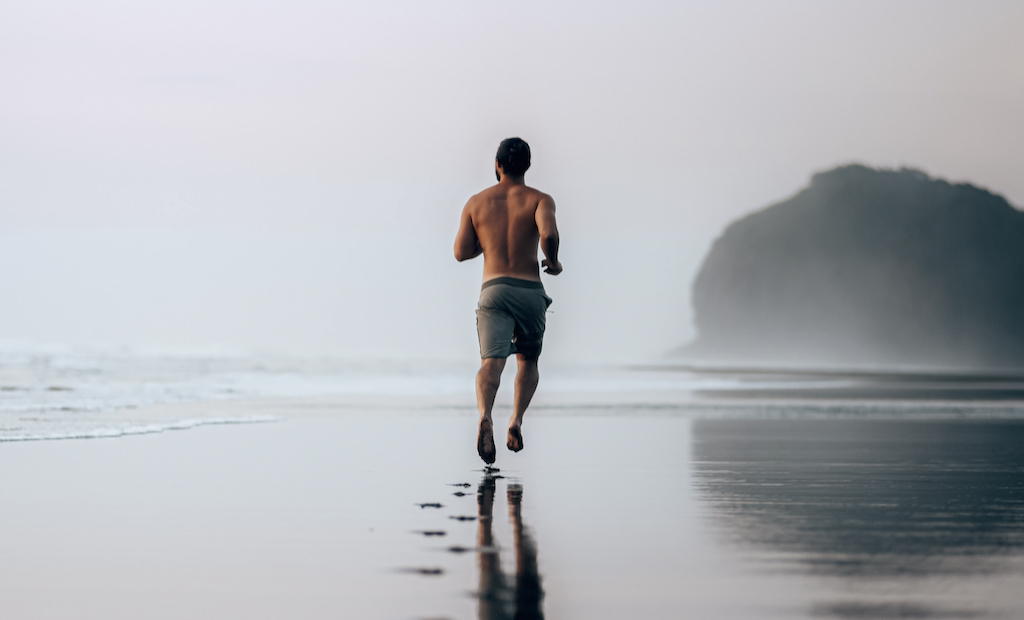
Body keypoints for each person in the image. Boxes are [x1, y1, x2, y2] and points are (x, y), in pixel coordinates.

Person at [454, 137, 562, 464]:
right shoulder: (540, 200)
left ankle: (485, 414)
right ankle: (515, 420)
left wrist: (487, 243)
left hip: (494, 289)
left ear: (498, 165)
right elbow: (549, 235)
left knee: (491, 363)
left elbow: (460, 253)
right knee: (528, 361)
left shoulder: (476, 203)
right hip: (529, 290)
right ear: (527, 166)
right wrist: (553, 261)